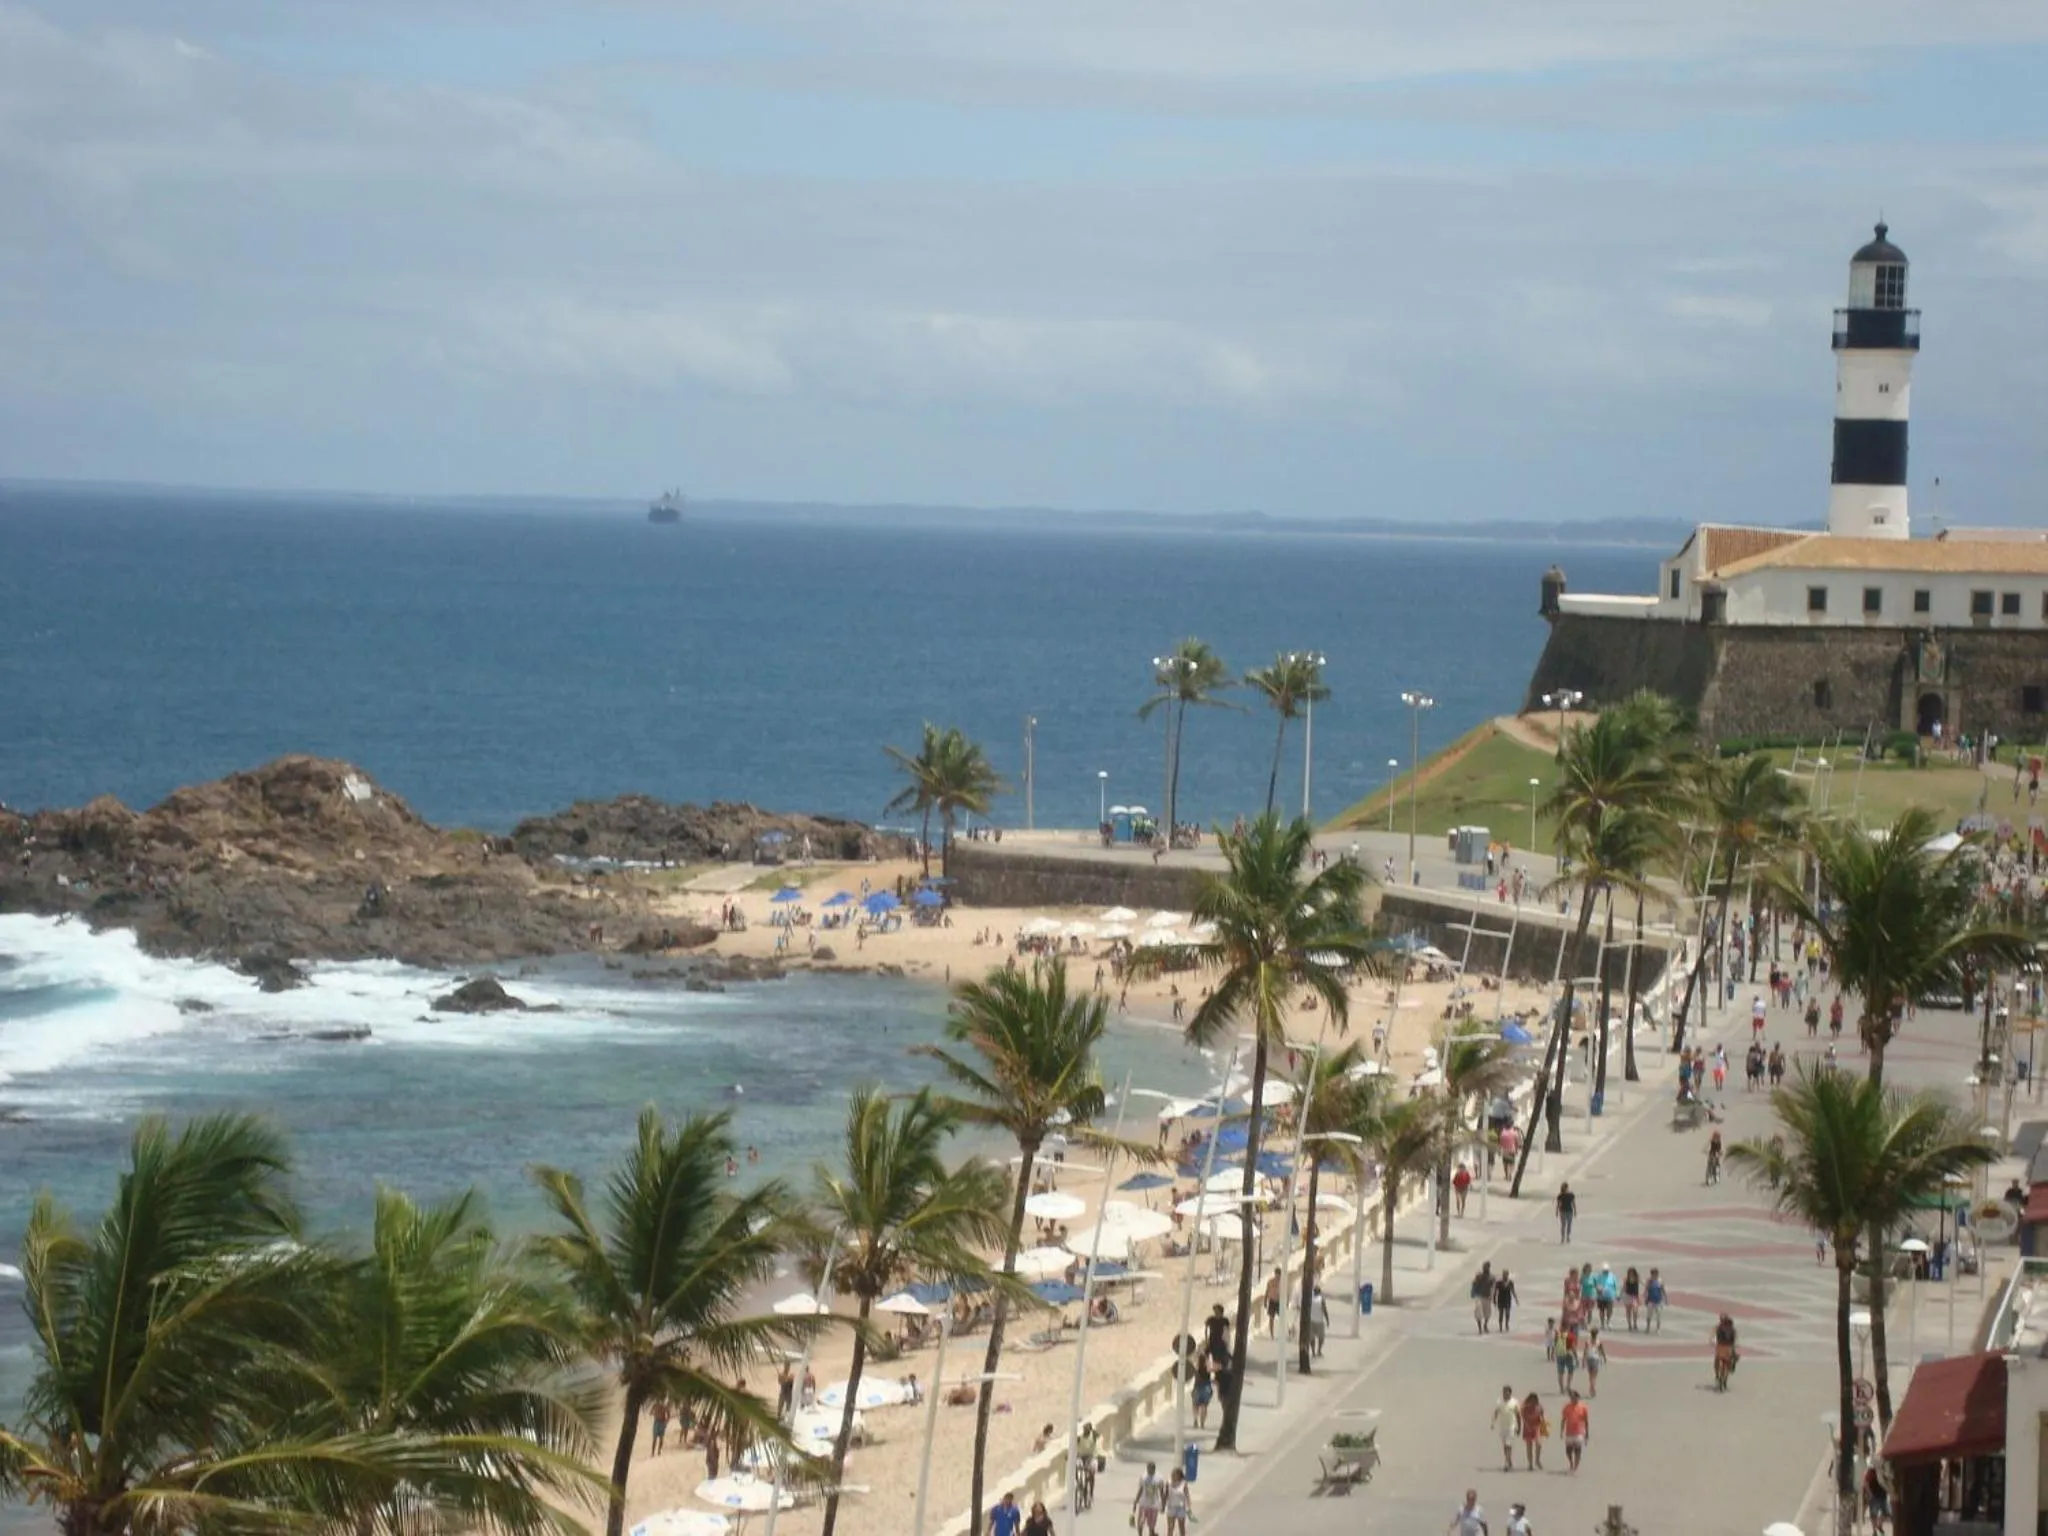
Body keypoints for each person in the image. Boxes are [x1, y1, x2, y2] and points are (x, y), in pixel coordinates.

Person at [1132, 1461, 1167, 1535]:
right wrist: (1135, 1501)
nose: (1149, 1471)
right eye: (1148, 1469)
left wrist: (1163, 1505)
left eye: (1150, 1470)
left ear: (1154, 1469)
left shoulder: (1159, 1478)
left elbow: (1161, 1492)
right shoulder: (1143, 1477)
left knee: (1151, 1525)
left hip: (1154, 1504)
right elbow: (1140, 1490)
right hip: (1143, 1504)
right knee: (1140, 1522)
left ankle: (1152, 1533)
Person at [1559, 1389, 1590, 1473]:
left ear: (1578, 1397)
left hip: (1579, 1432)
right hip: (1569, 1432)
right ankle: (1571, 1463)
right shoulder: (1566, 1407)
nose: (1572, 1399)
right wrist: (1561, 1431)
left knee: (1577, 1450)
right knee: (1568, 1450)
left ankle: (1575, 1466)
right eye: (1571, 1397)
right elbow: (1563, 1420)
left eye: (1574, 1397)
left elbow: (1586, 1421)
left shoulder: (1583, 1407)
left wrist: (1587, 1434)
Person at [1491, 1384, 1520, 1470]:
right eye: (1504, 1392)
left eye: (1507, 1392)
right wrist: (1493, 1422)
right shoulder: (1499, 1401)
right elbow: (1496, 1412)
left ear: (1510, 1393)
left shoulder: (1514, 1402)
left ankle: (1506, 1463)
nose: (1505, 1394)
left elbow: (1518, 1415)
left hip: (1511, 1426)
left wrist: (1519, 1426)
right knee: (1505, 1445)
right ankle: (1509, 1459)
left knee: (1508, 1444)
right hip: (1502, 1426)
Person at [1163, 1466, 1193, 1536]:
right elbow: (1166, 1495)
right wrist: (1163, 1505)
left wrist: (1189, 1506)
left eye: (1174, 1474)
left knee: (1181, 1527)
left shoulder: (1183, 1483)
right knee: (1170, 1527)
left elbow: (1187, 1495)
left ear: (1179, 1475)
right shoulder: (1168, 1483)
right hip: (1171, 1507)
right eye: (1172, 1474)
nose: (1173, 1476)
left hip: (1181, 1508)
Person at [1519, 1391, 1545, 1470]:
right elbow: (1523, 1417)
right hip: (1528, 1428)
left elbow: (1542, 1416)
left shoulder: (1539, 1407)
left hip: (1536, 1427)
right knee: (1529, 1446)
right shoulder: (1525, 1407)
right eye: (1532, 1400)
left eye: (1535, 1400)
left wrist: (1543, 1422)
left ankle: (1537, 1460)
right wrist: (1527, 1425)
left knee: (1539, 1444)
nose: (1533, 1402)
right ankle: (1530, 1464)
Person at [1712, 1313, 1739, 1389]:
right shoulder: (1732, 1328)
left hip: (1721, 1346)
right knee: (1728, 1361)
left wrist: (1712, 1340)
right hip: (1728, 1347)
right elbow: (1736, 1338)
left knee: (1718, 1360)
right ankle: (1724, 1376)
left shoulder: (1719, 1327)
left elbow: (1712, 1333)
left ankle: (1718, 1376)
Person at [1472, 1263, 1496, 1335]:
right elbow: (1474, 1284)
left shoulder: (1491, 1277)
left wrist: (1493, 1297)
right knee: (1478, 1311)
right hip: (1479, 1296)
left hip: (1487, 1296)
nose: (1484, 1269)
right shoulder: (1479, 1276)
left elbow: (1493, 1287)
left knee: (1487, 1313)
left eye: (1486, 1267)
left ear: (1489, 1268)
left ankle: (1485, 1325)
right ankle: (1480, 1329)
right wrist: (1473, 1292)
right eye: (1483, 1267)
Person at [1192, 1358, 1214, 1427]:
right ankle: (1202, 1423)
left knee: (1195, 1405)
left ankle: (1195, 1420)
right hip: (1206, 1389)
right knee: (1204, 1406)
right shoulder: (1208, 1370)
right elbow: (1212, 1379)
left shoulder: (1196, 1370)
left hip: (1197, 1388)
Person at [1494, 1268, 1518, 1333]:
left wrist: (1516, 1299)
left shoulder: (1510, 1283)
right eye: (1504, 1274)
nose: (1505, 1275)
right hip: (1500, 1300)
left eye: (1506, 1274)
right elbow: (1495, 1291)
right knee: (1501, 1314)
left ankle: (1506, 1324)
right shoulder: (1498, 1282)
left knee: (1507, 1314)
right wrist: (1494, 1299)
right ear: (1502, 1275)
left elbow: (1513, 1291)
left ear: (1508, 1275)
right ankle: (1500, 1326)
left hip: (1507, 1300)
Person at [1643, 1268, 1666, 1333]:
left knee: (1658, 1315)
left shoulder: (1660, 1281)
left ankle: (1658, 1329)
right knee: (1649, 1315)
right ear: (1651, 1274)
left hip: (1658, 1300)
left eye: (1656, 1274)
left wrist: (1665, 1298)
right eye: (1653, 1274)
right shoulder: (1649, 1281)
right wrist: (1645, 1298)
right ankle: (1648, 1327)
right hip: (1650, 1300)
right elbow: (1646, 1289)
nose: (1655, 1275)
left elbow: (1663, 1289)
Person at [1621, 1266, 1641, 1331]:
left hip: (1634, 1296)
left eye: (1632, 1272)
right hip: (1627, 1296)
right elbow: (1624, 1288)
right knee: (1628, 1311)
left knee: (1635, 1310)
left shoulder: (1637, 1278)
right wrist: (1619, 1295)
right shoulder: (1626, 1279)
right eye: (1630, 1272)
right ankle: (1629, 1325)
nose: (1631, 1273)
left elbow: (1642, 1284)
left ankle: (1635, 1324)